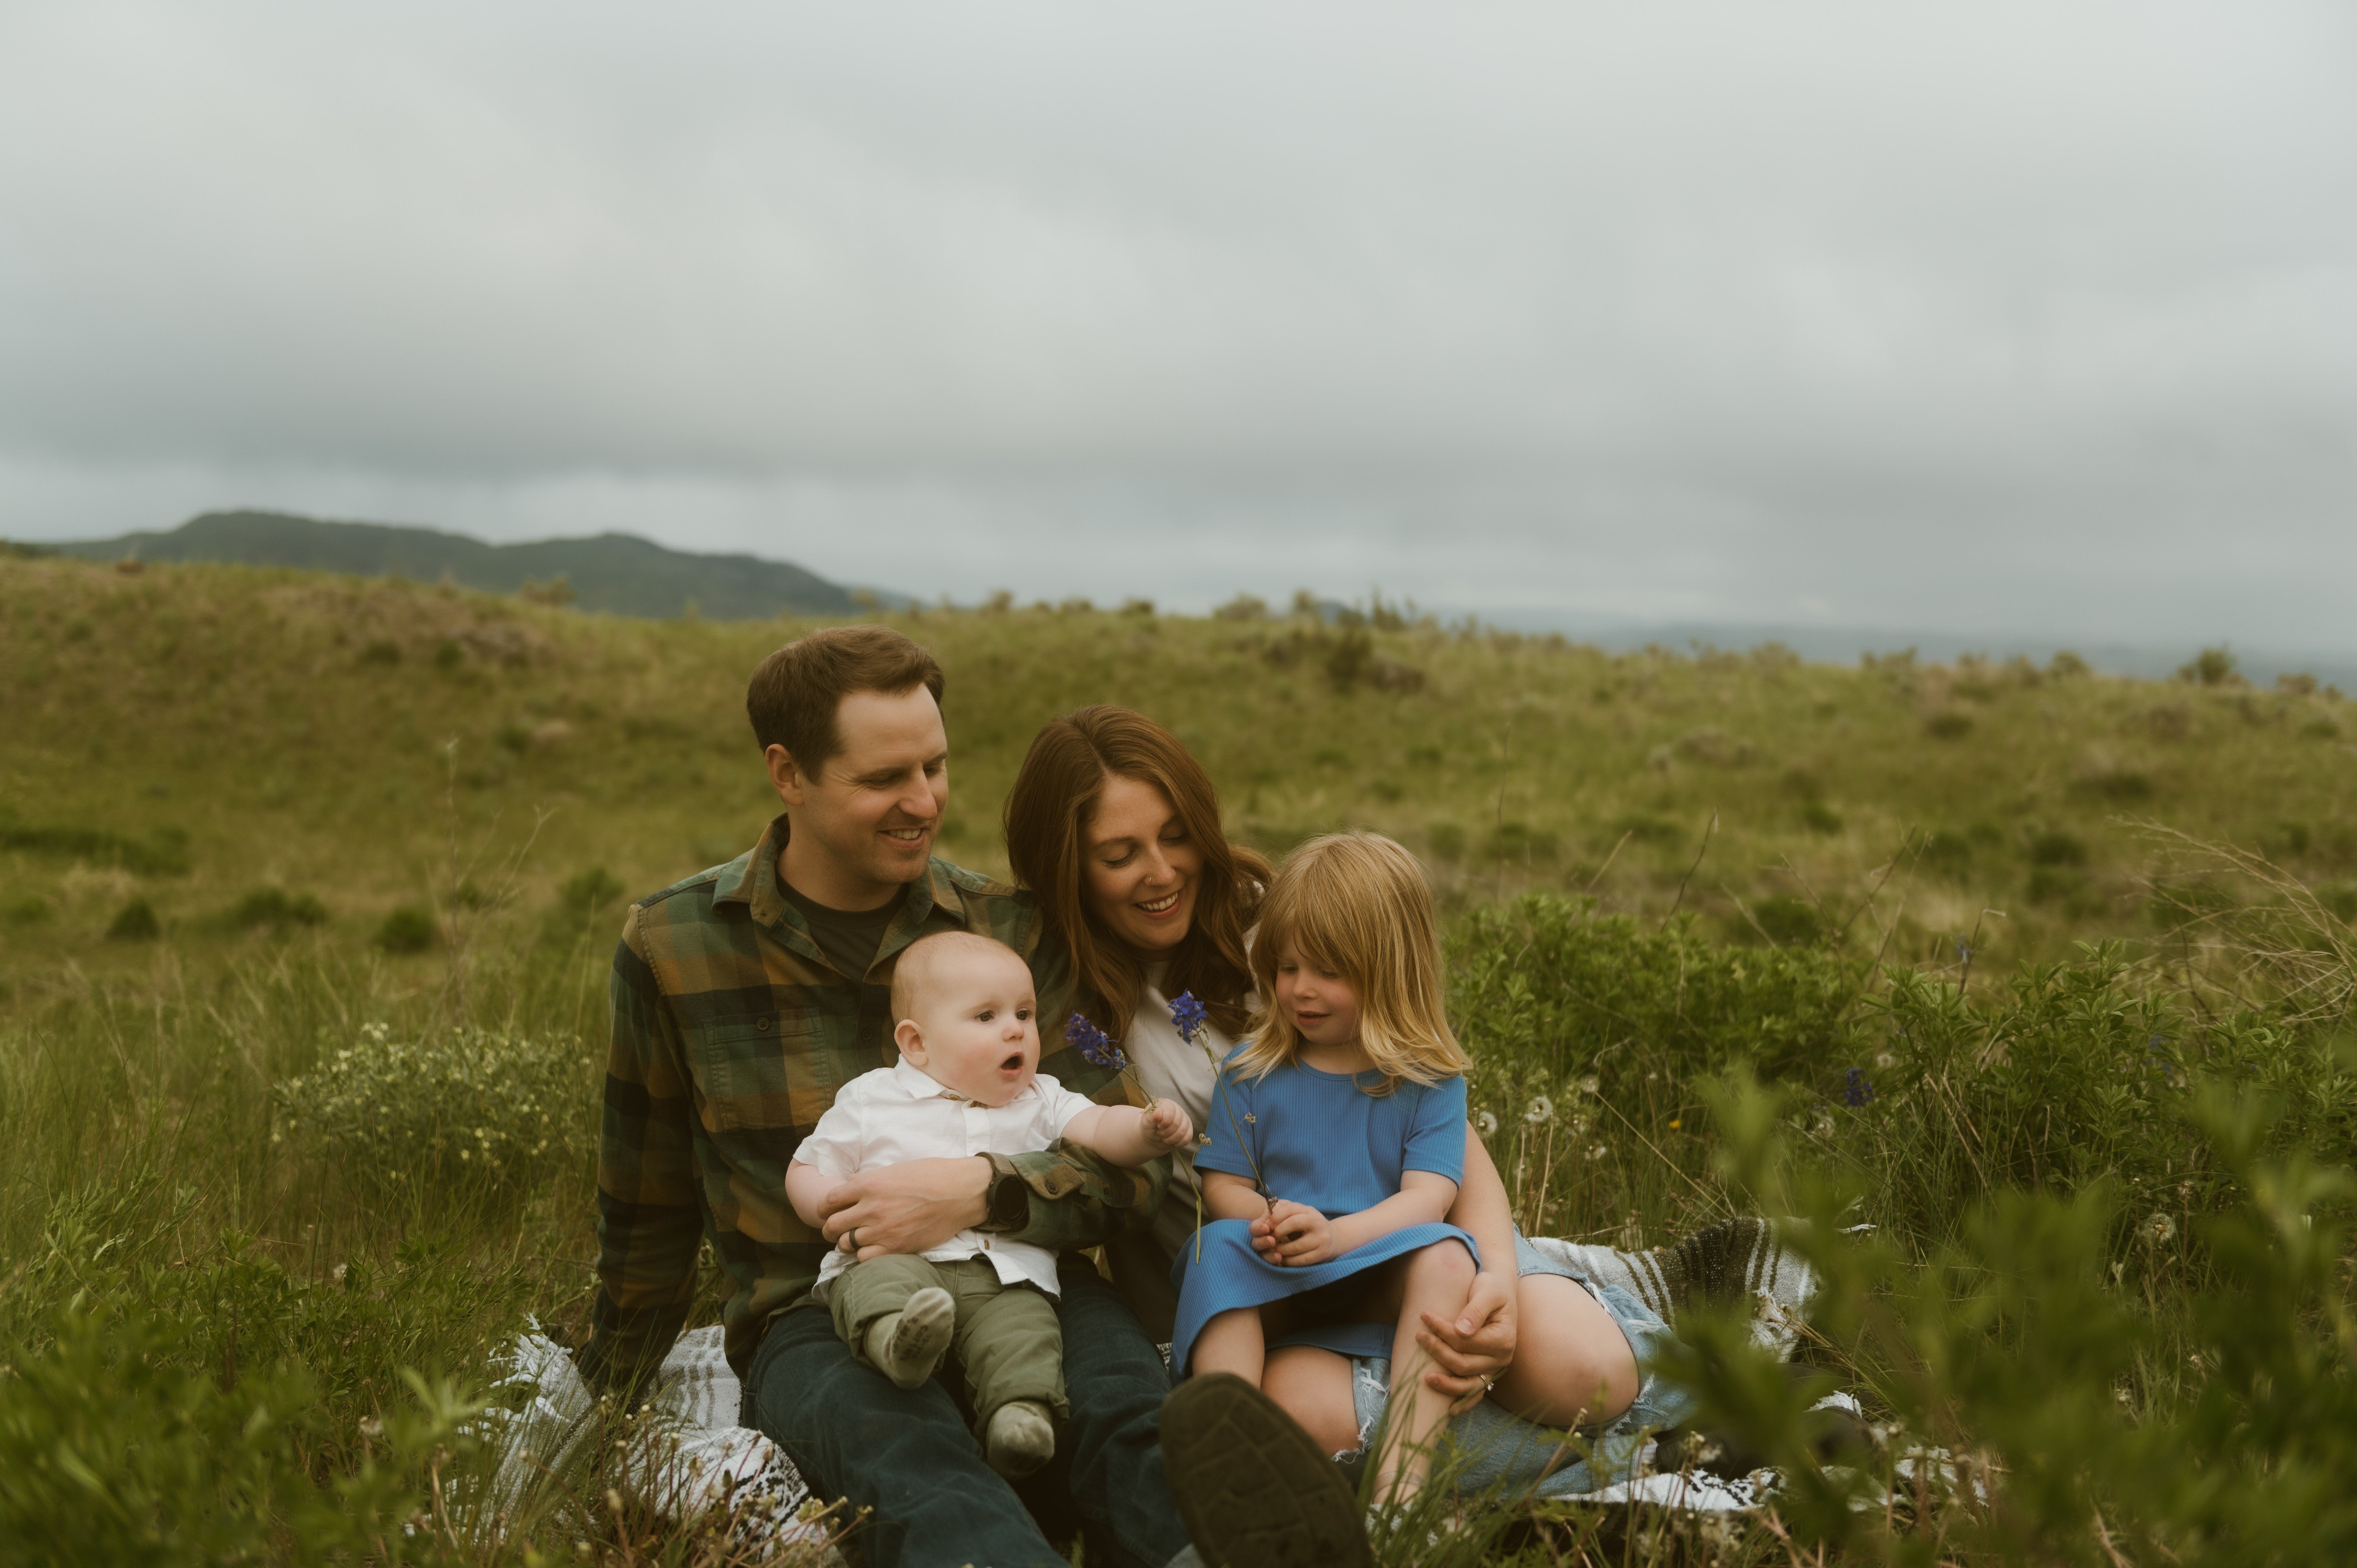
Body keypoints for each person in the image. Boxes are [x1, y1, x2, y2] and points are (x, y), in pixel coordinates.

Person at [579, 627, 1367, 1568]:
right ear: (788, 773)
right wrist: (600, 1402)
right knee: (913, 1464)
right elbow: (648, 1210)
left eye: (936, 766)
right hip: (818, 1315)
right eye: (884, 780)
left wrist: (983, 1189)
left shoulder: (1014, 933)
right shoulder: (676, 948)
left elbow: (1131, 1178)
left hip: (1038, 1281)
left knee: (1123, 1418)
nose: (923, 803)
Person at [1005, 706, 1679, 1476]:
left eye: (1178, 833)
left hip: (1412, 1254)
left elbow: (1436, 1117)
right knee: (1284, 1427)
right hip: (1267, 1303)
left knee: (1582, 1371)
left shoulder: (1287, 930)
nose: (1161, 871)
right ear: (1066, 869)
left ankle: (1657, 1413)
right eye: (1120, 854)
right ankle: (1644, 1451)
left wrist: (1494, 1272)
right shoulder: (1045, 1013)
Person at [786, 931, 1194, 1480]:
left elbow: (1098, 1128)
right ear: (917, 1044)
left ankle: (1019, 1418)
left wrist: (1145, 1131)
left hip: (1005, 1274)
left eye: (1024, 1014)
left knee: (1027, 1333)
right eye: (986, 1017)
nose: (1016, 1030)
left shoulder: (1041, 1097)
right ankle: (895, 1343)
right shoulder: (872, 1098)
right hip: (894, 1254)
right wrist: (829, 1205)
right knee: (873, 1287)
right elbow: (808, 1165)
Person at [1177, 832, 1480, 1504]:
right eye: (1286, 969)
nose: (1301, 991)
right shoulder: (1252, 1073)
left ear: (1390, 970)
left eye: (1329, 972)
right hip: (1281, 1277)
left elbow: (1429, 1198)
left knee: (1449, 1258)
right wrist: (1270, 1222)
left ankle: (1402, 1491)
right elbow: (1222, 1182)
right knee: (1213, 1246)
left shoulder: (1428, 1079)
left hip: (1375, 1269)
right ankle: (1226, 1462)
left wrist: (1338, 1237)